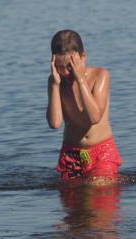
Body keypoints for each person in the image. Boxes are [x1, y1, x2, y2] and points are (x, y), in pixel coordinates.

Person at [46, 29, 121, 181]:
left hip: (101, 153)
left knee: (98, 191)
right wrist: (55, 84)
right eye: (61, 67)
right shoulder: (56, 82)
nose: (67, 72)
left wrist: (80, 80)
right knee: (72, 200)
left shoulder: (100, 76)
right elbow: (54, 123)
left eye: (70, 66)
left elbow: (94, 117)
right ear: (53, 62)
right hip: (71, 154)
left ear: (82, 57)